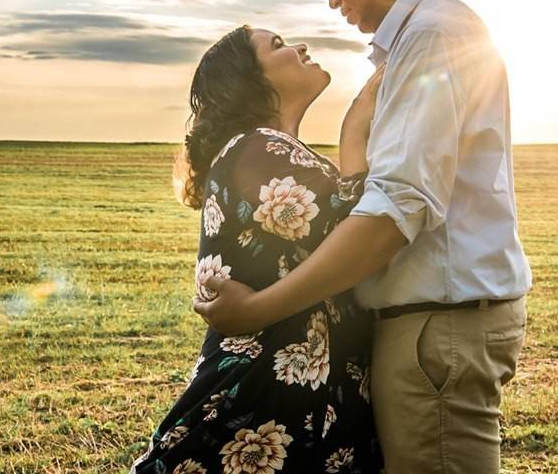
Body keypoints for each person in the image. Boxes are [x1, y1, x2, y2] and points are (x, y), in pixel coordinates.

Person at [195, 0, 532, 473]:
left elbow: (390, 212)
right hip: (434, 322)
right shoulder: (427, 37)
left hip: (436, 323)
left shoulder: (430, 36)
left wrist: (256, 311)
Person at [131, 25, 385, 473]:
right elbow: (367, 221)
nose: (300, 47)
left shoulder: (270, 150)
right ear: (250, 81)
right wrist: (356, 124)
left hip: (287, 408)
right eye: (280, 45)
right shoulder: (256, 148)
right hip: (256, 405)